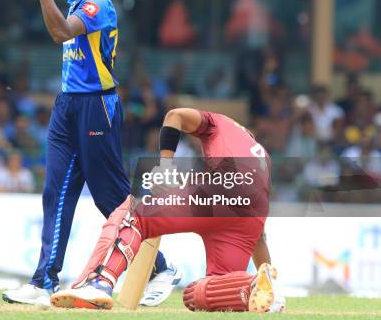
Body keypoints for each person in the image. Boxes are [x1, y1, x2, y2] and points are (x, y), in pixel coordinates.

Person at [2, 0, 174, 306]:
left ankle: (159, 267)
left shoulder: (98, 4)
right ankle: (44, 280)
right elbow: (59, 31)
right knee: (55, 192)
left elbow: (61, 31)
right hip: (67, 107)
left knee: (110, 197)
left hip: (97, 106)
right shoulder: (76, 2)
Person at [50, 108, 285, 313]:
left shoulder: (218, 121)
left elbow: (175, 116)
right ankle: (253, 286)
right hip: (250, 218)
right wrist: (271, 279)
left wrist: (166, 166)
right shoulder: (262, 154)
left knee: (136, 215)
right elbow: (259, 237)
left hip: (223, 189)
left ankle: (99, 282)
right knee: (201, 293)